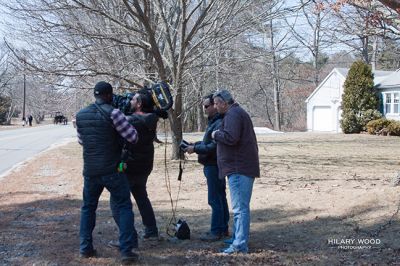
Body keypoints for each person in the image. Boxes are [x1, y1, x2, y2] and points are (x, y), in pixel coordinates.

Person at [75, 81, 139, 264]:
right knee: (124, 206)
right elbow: (133, 137)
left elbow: (81, 141)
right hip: (112, 169)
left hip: (90, 171)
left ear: (95, 95)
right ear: (110, 95)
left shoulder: (80, 115)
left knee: (88, 208)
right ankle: (127, 251)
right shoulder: (114, 113)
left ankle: (85, 248)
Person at [109, 89, 161, 249]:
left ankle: (127, 237)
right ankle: (151, 230)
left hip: (130, 165)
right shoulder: (152, 118)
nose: (129, 101)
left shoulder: (132, 120)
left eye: (133, 100)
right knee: (141, 196)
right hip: (145, 165)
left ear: (139, 104)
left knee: (117, 201)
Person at [211, 89, 260, 255]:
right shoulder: (236, 113)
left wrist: (216, 134)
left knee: (240, 209)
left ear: (225, 103)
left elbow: (231, 137)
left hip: (239, 168)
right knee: (240, 208)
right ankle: (237, 238)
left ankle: (239, 245)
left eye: (217, 103)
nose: (215, 106)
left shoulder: (233, 115)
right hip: (240, 167)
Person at [183, 94, 229, 242]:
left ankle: (216, 231)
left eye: (207, 106)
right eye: (204, 105)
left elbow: (213, 147)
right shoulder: (213, 122)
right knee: (220, 197)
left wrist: (194, 149)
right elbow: (207, 142)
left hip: (214, 165)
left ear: (215, 106)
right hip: (213, 164)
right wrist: (194, 144)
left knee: (215, 199)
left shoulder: (219, 122)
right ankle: (223, 229)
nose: (205, 108)